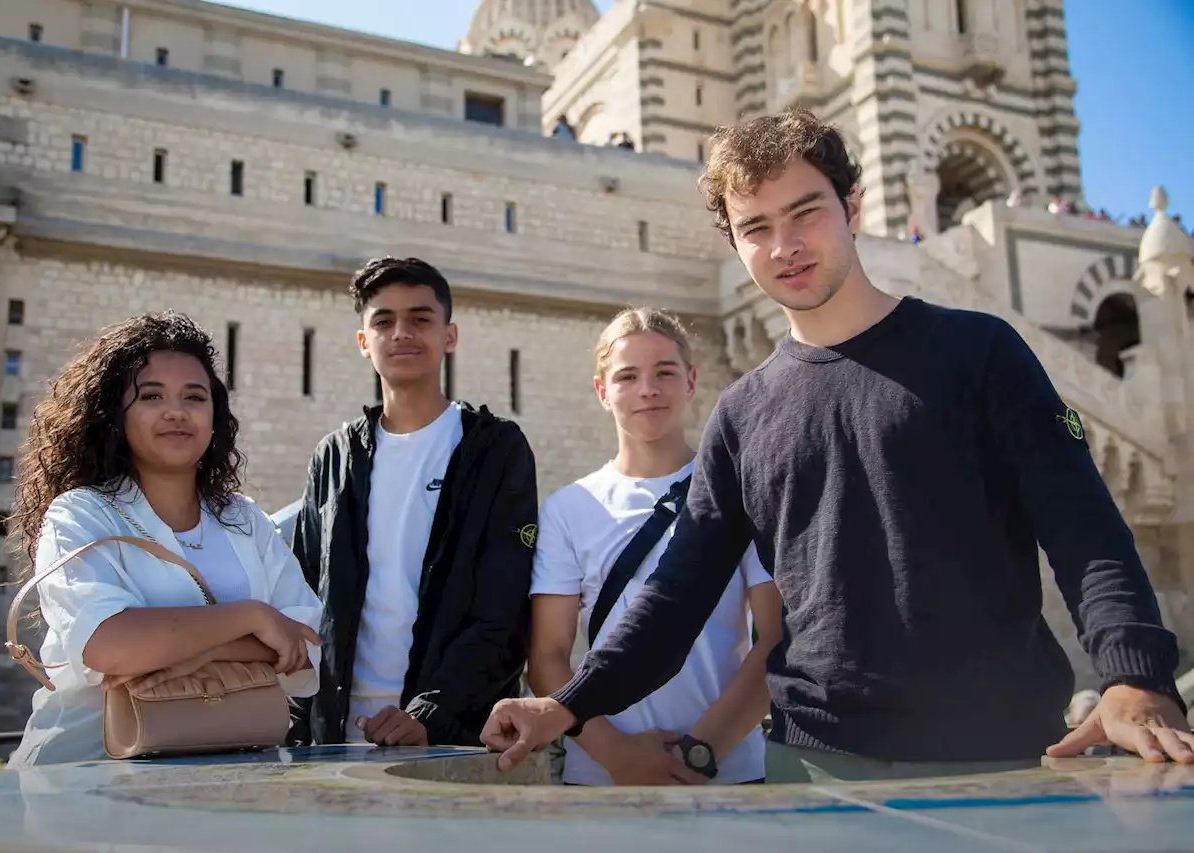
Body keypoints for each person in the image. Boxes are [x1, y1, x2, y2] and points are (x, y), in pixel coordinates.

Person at [481, 108, 1194, 780]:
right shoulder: (741, 414)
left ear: (852, 209)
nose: (784, 246)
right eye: (756, 226)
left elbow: (1083, 529)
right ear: (735, 244)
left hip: (996, 749)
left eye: (805, 212)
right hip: (816, 766)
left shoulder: (979, 351)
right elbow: (673, 599)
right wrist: (567, 704)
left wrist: (1134, 672)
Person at [7, 312, 323, 767]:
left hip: (235, 777)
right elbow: (107, 645)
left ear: (215, 417)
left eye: (194, 396)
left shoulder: (244, 519)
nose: (176, 411)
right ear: (115, 414)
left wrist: (191, 647)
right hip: (88, 780)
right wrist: (252, 618)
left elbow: (308, 645)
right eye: (152, 395)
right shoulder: (80, 514)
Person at [289, 256, 538, 748]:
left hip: (449, 743)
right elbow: (300, 597)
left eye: (420, 319)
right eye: (383, 321)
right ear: (364, 343)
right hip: (334, 739)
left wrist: (430, 714)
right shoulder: (335, 457)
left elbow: (504, 609)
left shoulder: (495, 451)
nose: (401, 332)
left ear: (450, 336)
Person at [529, 308, 782, 786]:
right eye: (627, 376)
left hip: (727, 773)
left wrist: (699, 753)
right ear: (603, 392)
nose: (648, 389)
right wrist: (617, 755)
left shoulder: (741, 493)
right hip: (603, 776)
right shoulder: (567, 510)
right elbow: (547, 658)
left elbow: (774, 638)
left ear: (690, 381)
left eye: (664, 372)